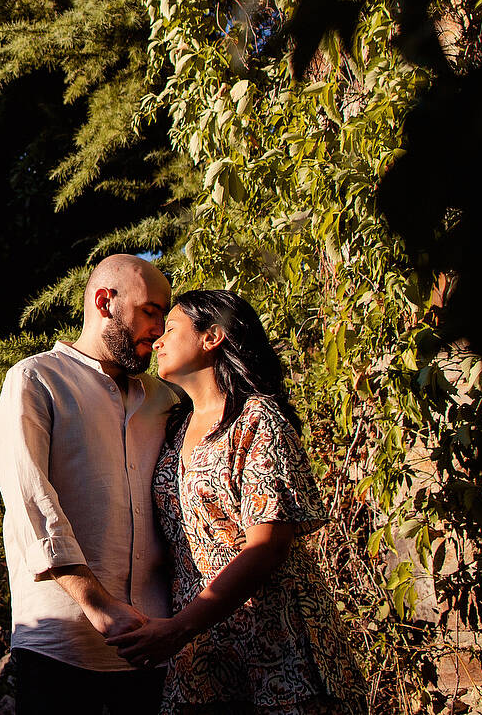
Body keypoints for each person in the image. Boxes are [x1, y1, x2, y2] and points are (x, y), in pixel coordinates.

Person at [107, 289, 366, 714]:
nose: (157, 341)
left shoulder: (257, 418)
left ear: (212, 338)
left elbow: (268, 545)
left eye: (170, 328)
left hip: (275, 642)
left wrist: (179, 628)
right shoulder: (174, 430)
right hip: (203, 659)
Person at [0, 253, 177, 715]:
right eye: (150, 312)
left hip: (153, 647)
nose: (158, 330)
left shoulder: (164, 398)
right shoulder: (36, 379)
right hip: (64, 643)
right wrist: (97, 603)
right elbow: (32, 502)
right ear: (104, 301)